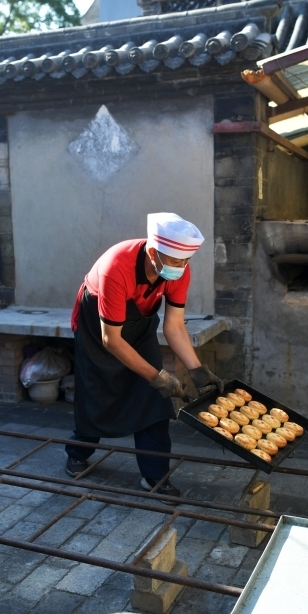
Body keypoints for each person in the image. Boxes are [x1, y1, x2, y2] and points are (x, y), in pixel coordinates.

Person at [64, 213, 223, 499]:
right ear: (153, 253)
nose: (182, 268)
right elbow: (111, 339)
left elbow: (173, 326)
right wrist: (157, 376)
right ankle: (78, 451)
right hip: (98, 325)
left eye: (186, 261)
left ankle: (155, 476)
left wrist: (197, 371)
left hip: (140, 326)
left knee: (154, 399)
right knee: (97, 390)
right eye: (175, 262)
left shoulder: (179, 269)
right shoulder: (118, 267)